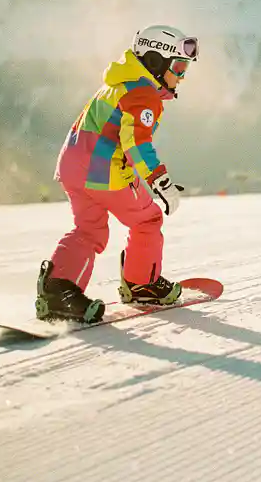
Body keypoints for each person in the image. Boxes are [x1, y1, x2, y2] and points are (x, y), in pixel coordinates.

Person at [35, 25, 198, 323]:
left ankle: (60, 292)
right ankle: (141, 284)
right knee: (148, 219)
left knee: (89, 230)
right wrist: (159, 181)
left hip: (73, 167)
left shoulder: (117, 83)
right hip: (104, 172)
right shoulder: (143, 93)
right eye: (178, 67)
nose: (182, 76)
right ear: (155, 62)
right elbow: (136, 141)